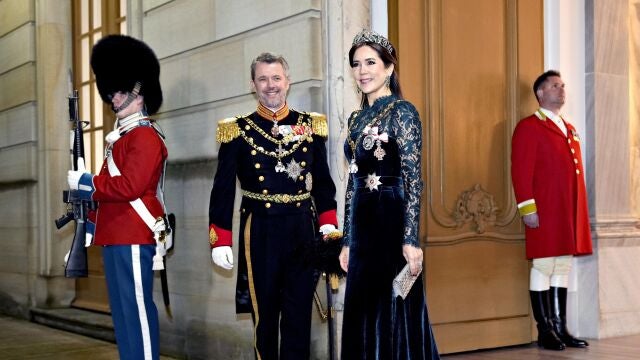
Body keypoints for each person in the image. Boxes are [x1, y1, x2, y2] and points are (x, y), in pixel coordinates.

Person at [208, 52, 339, 359]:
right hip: (260, 231)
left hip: (301, 230)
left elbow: (322, 182)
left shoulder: (309, 126)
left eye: (276, 78)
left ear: (287, 82)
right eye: (263, 79)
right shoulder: (237, 130)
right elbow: (223, 189)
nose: (270, 86)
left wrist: (329, 225)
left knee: (298, 318)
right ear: (253, 85)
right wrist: (220, 238)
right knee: (264, 319)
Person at [338, 29, 440, 360]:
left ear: (388, 68)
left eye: (370, 62)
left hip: (391, 222)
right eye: (356, 64)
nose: (362, 71)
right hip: (363, 229)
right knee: (362, 310)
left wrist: (410, 238)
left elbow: (413, 178)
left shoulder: (403, 111)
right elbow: (353, 183)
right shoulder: (355, 118)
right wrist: (346, 240)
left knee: (393, 307)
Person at [67, 35, 168, 360]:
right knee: (123, 315)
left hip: (134, 235)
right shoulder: (123, 138)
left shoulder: (145, 137)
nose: (114, 97)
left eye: (121, 91)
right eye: (113, 90)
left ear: (139, 93)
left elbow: (129, 187)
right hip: (115, 235)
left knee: (137, 312)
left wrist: (87, 182)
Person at [511, 70, 593, 351]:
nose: (561, 90)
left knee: (562, 266)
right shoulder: (529, 127)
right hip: (544, 210)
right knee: (544, 266)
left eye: (562, 85)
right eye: (554, 86)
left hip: (567, 211)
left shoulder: (569, 129)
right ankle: (544, 329)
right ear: (540, 94)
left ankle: (561, 328)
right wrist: (527, 209)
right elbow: (521, 172)